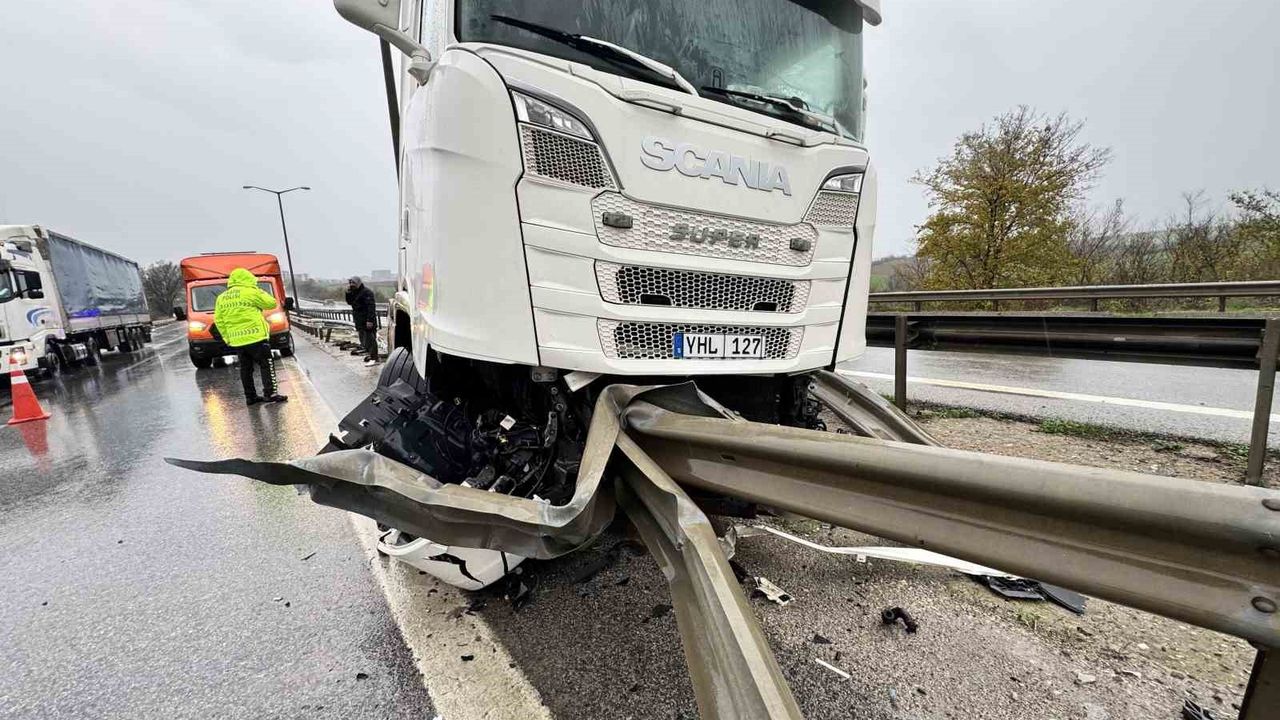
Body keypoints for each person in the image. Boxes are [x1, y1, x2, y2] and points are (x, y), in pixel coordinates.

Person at [214, 268, 288, 405]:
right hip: (256, 337)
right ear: (248, 279)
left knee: (246, 369)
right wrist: (258, 290)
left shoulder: (222, 298)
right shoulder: (251, 292)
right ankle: (270, 393)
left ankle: (250, 397)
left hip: (237, 340)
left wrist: (227, 338)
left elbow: (218, 320)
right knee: (266, 365)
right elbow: (271, 303)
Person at [345, 276, 380, 366]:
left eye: (353, 283)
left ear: (358, 283)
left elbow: (371, 307)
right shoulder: (354, 292)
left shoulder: (366, 292)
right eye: (350, 283)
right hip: (359, 321)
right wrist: (348, 293)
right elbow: (350, 302)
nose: (351, 285)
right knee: (364, 340)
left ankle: (374, 358)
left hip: (367, 320)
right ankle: (371, 356)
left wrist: (370, 320)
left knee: (371, 340)